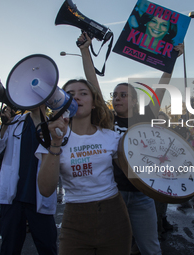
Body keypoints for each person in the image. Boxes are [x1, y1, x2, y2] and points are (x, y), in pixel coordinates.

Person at [79, 31, 183, 255]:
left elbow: (164, 84)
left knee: (151, 247)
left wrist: (172, 58)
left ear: (135, 100)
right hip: (113, 195)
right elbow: (93, 85)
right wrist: (85, 50)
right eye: (115, 95)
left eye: (123, 95)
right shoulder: (107, 120)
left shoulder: (146, 117)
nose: (117, 98)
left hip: (142, 195)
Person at [36, 35, 132, 255]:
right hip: (75, 220)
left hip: (114, 216)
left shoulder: (110, 136)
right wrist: (56, 143)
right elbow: (46, 189)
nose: (76, 98)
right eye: (69, 94)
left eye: (83, 93)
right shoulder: (50, 138)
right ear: (60, 101)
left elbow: (131, 173)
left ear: (93, 101)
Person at [0, 105, 57, 255]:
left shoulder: (53, 125)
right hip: (13, 199)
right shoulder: (13, 123)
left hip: (40, 197)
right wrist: (4, 125)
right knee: (9, 248)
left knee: (47, 246)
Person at [154, 111, 174, 239]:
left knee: (164, 200)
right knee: (156, 202)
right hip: (153, 174)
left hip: (166, 173)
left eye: (162, 122)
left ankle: (163, 219)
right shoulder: (151, 137)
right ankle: (158, 228)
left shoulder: (170, 137)